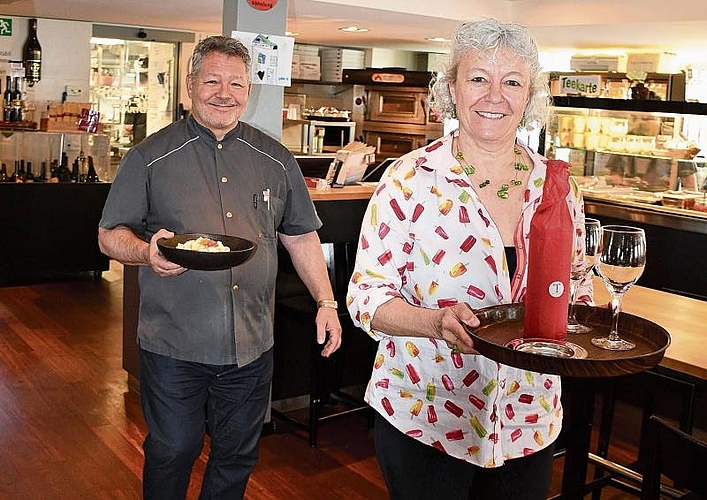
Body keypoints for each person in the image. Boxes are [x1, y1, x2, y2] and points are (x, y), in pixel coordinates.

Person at [346, 19, 592, 499]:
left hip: (527, 418)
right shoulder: (409, 178)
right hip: (427, 416)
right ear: (452, 88)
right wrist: (434, 322)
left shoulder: (558, 186)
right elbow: (366, 298)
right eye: (479, 78)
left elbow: (576, 290)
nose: (494, 96)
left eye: (512, 82)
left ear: (530, 98)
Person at [98, 36, 342, 499]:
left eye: (236, 83)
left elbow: (300, 235)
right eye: (211, 80)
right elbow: (110, 234)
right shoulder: (149, 157)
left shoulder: (275, 159)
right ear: (191, 85)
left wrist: (326, 302)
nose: (223, 92)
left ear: (249, 90)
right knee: (174, 448)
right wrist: (147, 251)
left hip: (252, 344)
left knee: (236, 456)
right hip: (174, 343)